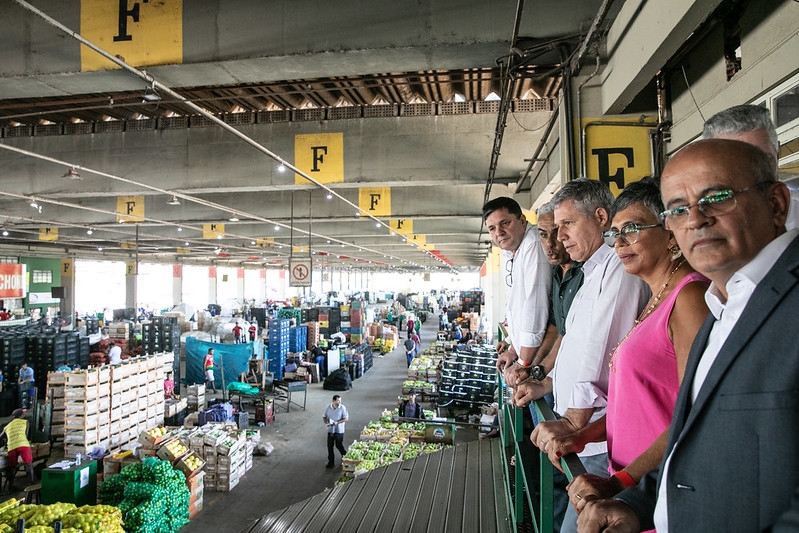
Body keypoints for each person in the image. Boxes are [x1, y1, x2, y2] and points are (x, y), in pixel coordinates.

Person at [577, 139, 797, 532]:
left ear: (777, 203)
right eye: (678, 209)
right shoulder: (720, 306)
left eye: (718, 197)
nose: (696, 219)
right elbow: (694, 439)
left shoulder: (714, 300)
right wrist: (635, 503)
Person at [560, 178, 710, 514]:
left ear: (671, 231)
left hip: (654, 487)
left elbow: (693, 413)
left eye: (632, 228)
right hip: (629, 478)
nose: (619, 243)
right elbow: (636, 402)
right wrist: (586, 434)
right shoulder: (656, 299)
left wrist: (621, 482)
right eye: (614, 233)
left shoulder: (689, 298)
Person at [513, 179, 649, 533]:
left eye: (567, 224)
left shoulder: (619, 270)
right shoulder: (591, 271)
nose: (559, 238)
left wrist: (574, 423)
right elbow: (576, 344)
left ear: (600, 216)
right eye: (556, 228)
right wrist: (548, 384)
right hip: (584, 429)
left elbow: (600, 348)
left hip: (596, 433)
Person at [482, 197, 551, 386]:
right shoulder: (508, 251)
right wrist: (513, 349)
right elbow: (516, 305)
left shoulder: (533, 244)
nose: (499, 232)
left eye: (505, 223)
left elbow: (534, 307)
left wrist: (523, 362)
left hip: (542, 357)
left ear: (521, 220)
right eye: (492, 228)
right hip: (529, 352)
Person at [702, 103, 799, 231]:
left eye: (762, 159)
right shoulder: (702, 226)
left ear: (777, 154)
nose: (751, 175)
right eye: (733, 164)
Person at [1, 409, 36, 490]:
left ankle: (10, 486)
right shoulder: (25, 422)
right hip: (22, 444)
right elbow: (26, 435)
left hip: (11, 446)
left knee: (12, 466)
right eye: (23, 414)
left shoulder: (7, 426)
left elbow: (1, 436)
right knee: (28, 464)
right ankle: (32, 483)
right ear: (21, 416)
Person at [323, 394, 348, 469]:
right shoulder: (328, 408)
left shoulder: (342, 408)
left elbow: (346, 418)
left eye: (340, 400)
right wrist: (327, 423)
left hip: (339, 430)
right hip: (331, 430)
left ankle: (345, 457)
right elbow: (324, 416)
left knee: (338, 445)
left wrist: (337, 422)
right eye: (338, 400)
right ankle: (331, 462)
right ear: (333, 401)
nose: (340, 402)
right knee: (330, 446)